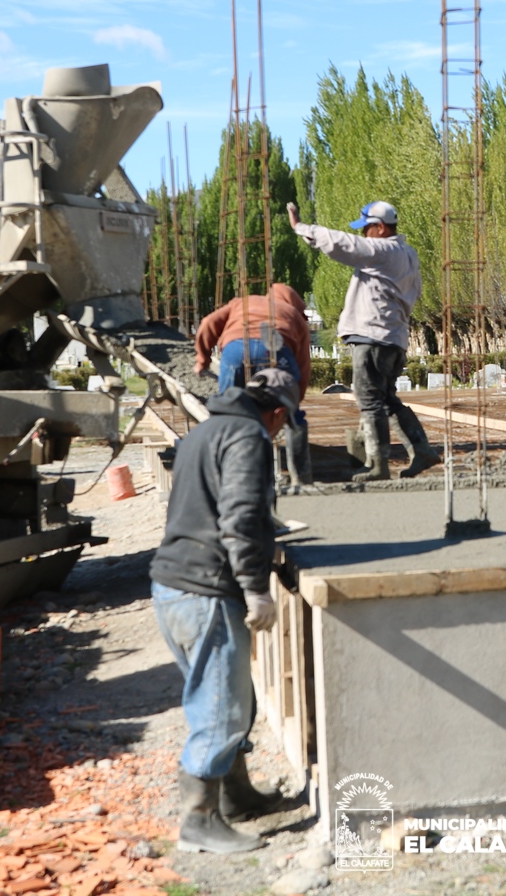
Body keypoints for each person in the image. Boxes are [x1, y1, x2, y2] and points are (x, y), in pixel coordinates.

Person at [150, 365, 299, 854]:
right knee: (220, 711)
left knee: (231, 698)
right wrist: (255, 589)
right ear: (276, 414)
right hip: (206, 590)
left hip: (172, 585)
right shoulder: (249, 436)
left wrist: (267, 526)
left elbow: (213, 503)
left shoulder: (206, 430)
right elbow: (236, 517)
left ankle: (235, 798)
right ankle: (198, 821)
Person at [287, 199, 440, 482]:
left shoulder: (381, 250)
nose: (363, 234)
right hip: (393, 337)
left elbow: (343, 244)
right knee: (386, 398)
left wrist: (300, 227)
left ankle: (377, 465)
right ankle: (421, 449)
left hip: (372, 336)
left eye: (367, 228)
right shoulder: (408, 254)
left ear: (380, 228)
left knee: (369, 399)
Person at [194, 284, 314, 483]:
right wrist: (293, 402)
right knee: (292, 416)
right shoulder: (294, 314)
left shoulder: (242, 303)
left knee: (227, 412)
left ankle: (226, 473)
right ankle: (301, 476)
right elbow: (303, 365)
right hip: (277, 350)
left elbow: (208, 323)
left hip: (237, 350)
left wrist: (202, 360)